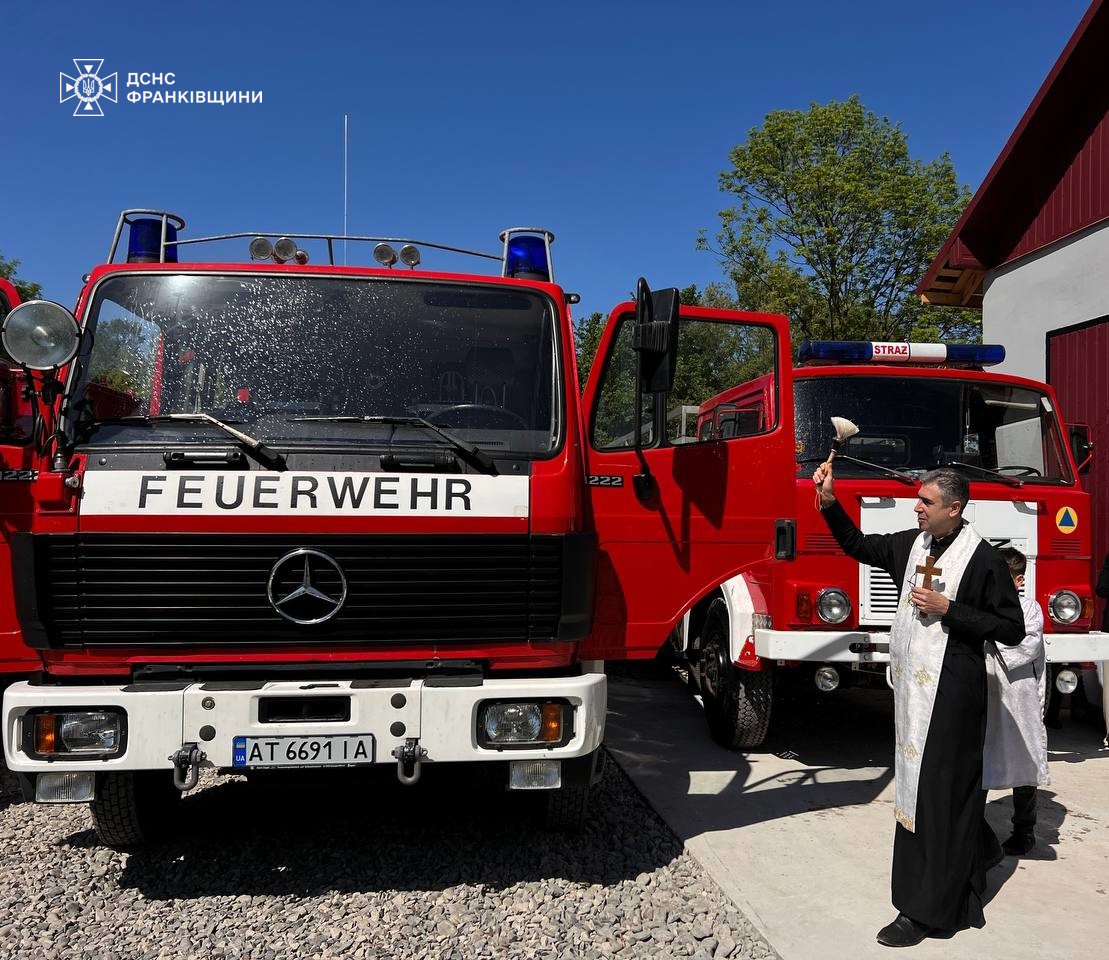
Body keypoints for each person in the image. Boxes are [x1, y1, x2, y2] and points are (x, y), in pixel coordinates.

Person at [813, 466, 1024, 947]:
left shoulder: (984, 560)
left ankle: (924, 911)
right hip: (914, 695)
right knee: (929, 794)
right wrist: (829, 502)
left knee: (936, 797)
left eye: (926, 502)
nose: (916, 507)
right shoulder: (914, 545)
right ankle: (975, 856)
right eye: (918, 500)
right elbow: (859, 546)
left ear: (955, 509)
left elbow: (1012, 628)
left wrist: (950, 610)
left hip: (954, 696)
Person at [983, 547, 1050, 856]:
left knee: (1023, 759)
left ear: (1019, 579)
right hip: (985, 689)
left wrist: (984, 627)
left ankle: (1024, 830)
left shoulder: (1030, 609)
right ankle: (973, 828)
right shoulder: (983, 603)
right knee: (979, 758)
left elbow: (1025, 645)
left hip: (1018, 695)